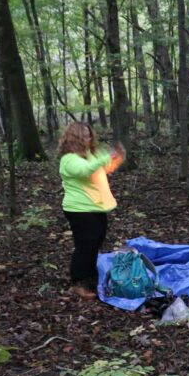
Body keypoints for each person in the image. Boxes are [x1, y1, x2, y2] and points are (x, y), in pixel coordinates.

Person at [58, 122, 125, 300]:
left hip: (95, 207)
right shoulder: (69, 159)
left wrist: (114, 160)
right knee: (85, 245)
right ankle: (77, 282)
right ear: (75, 138)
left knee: (96, 242)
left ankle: (90, 276)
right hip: (79, 209)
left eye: (89, 135)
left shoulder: (88, 156)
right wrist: (104, 158)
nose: (89, 138)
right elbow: (86, 171)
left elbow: (100, 169)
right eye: (85, 136)